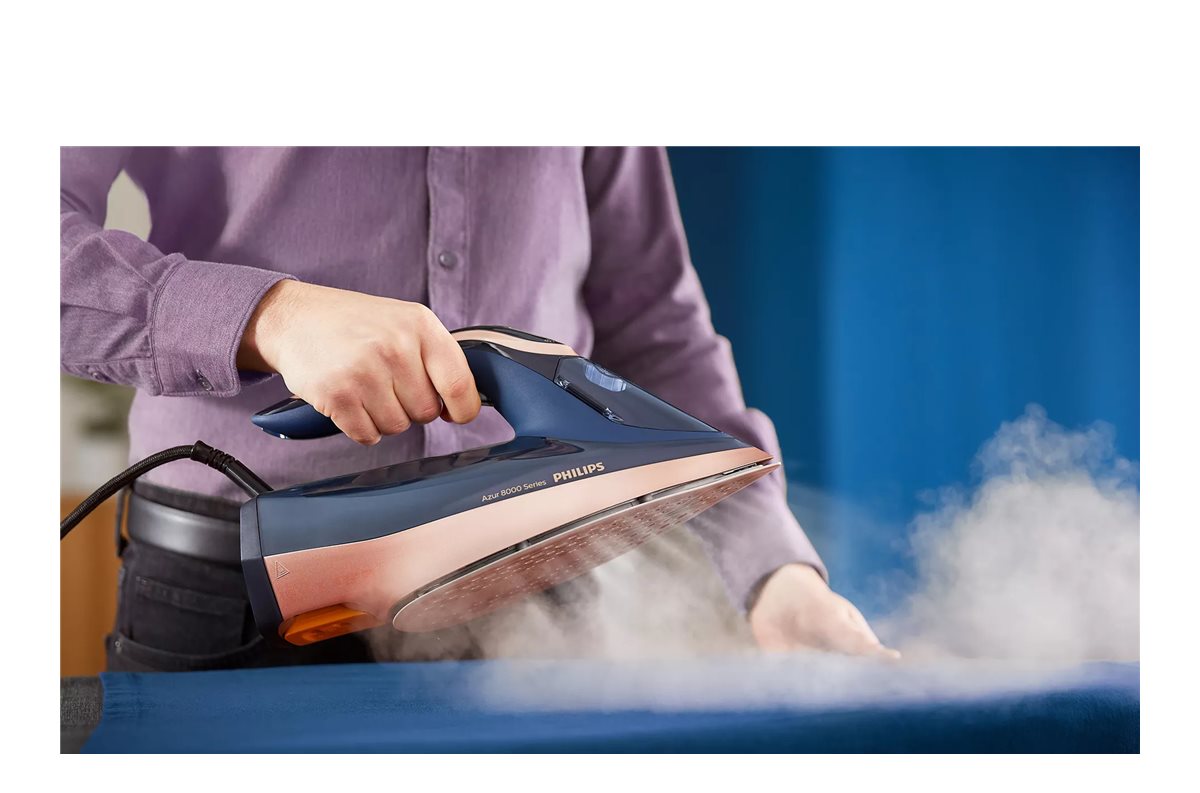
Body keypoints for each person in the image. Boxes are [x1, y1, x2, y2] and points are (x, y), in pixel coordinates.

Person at [60, 146, 899, 672]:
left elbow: (654, 328)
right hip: (239, 592)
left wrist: (773, 576)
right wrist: (268, 318)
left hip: (540, 592)